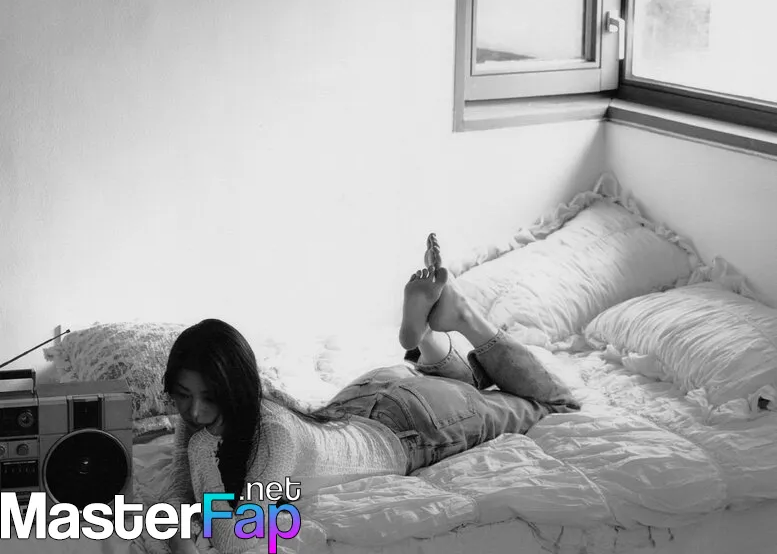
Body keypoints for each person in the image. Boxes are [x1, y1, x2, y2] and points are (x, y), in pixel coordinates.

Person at [162, 235, 580, 553]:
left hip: (413, 428)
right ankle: (430, 338)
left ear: (234, 386)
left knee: (555, 402)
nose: (194, 412)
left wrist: (201, 454)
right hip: (361, 399)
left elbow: (238, 539)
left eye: (209, 397)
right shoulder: (207, 415)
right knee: (465, 385)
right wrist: (182, 537)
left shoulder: (273, 434)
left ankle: (466, 317)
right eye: (182, 395)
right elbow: (180, 494)